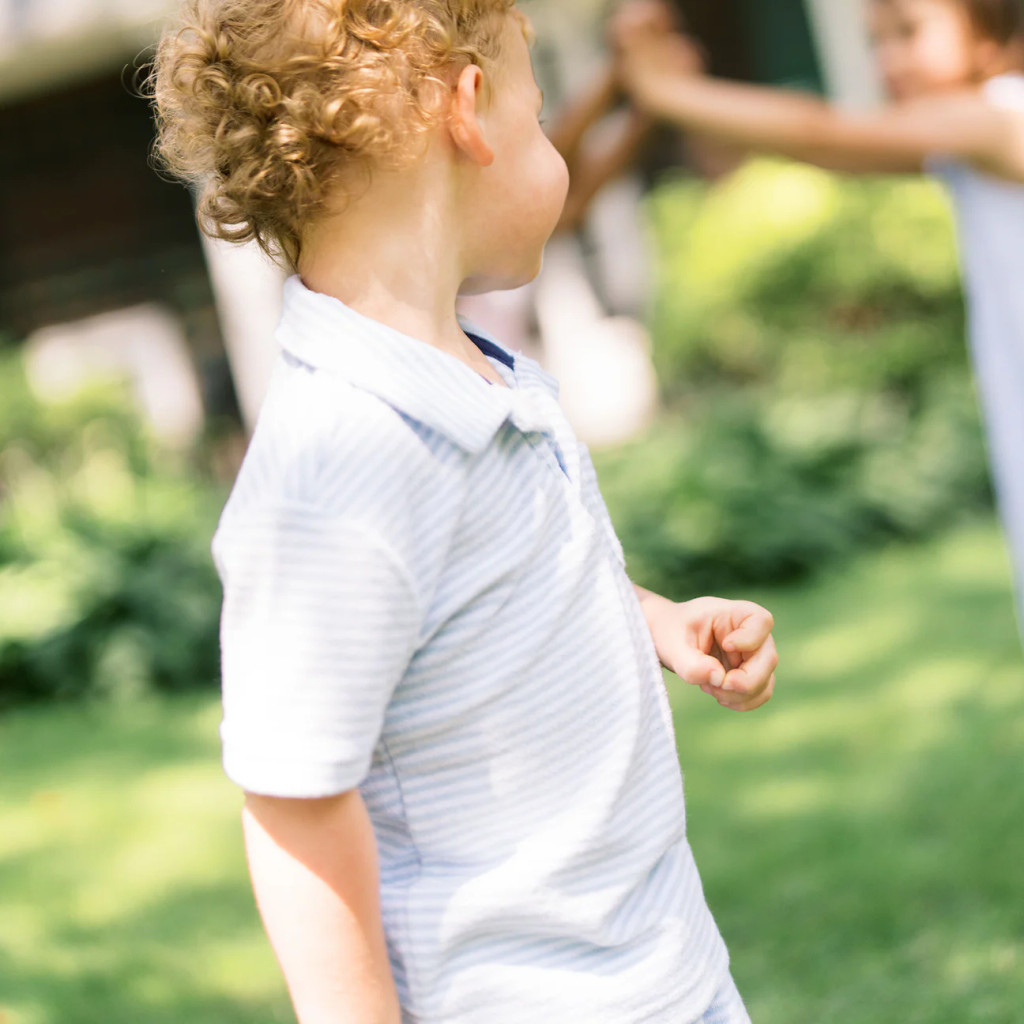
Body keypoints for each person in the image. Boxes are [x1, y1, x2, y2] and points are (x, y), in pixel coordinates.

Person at [151, 1, 778, 1022]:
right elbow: (293, 802)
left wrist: (653, 620)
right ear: (473, 110)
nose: (549, 140)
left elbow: (502, 586)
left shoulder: (474, 375)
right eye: (540, 114)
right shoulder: (337, 462)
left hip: (659, 967)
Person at [614, 0, 1024, 633]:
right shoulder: (967, 141)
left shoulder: (1000, 116)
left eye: (910, 33)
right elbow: (819, 146)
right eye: (876, 40)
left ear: (994, 41)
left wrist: (669, 89)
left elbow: (822, 131)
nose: (887, 59)